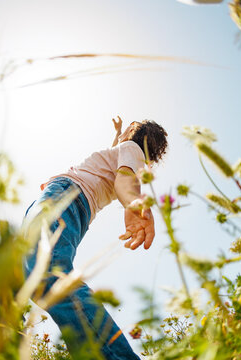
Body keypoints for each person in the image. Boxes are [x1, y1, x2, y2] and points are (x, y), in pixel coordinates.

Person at [23, 116, 168, 359]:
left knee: (47, 271)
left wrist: (132, 203)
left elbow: (125, 182)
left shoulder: (131, 150)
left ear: (135, 134)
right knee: (27, 274)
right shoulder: (124, 154)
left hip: (65, 197)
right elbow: (118, 165)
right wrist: (118, 132)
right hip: (70, 206)